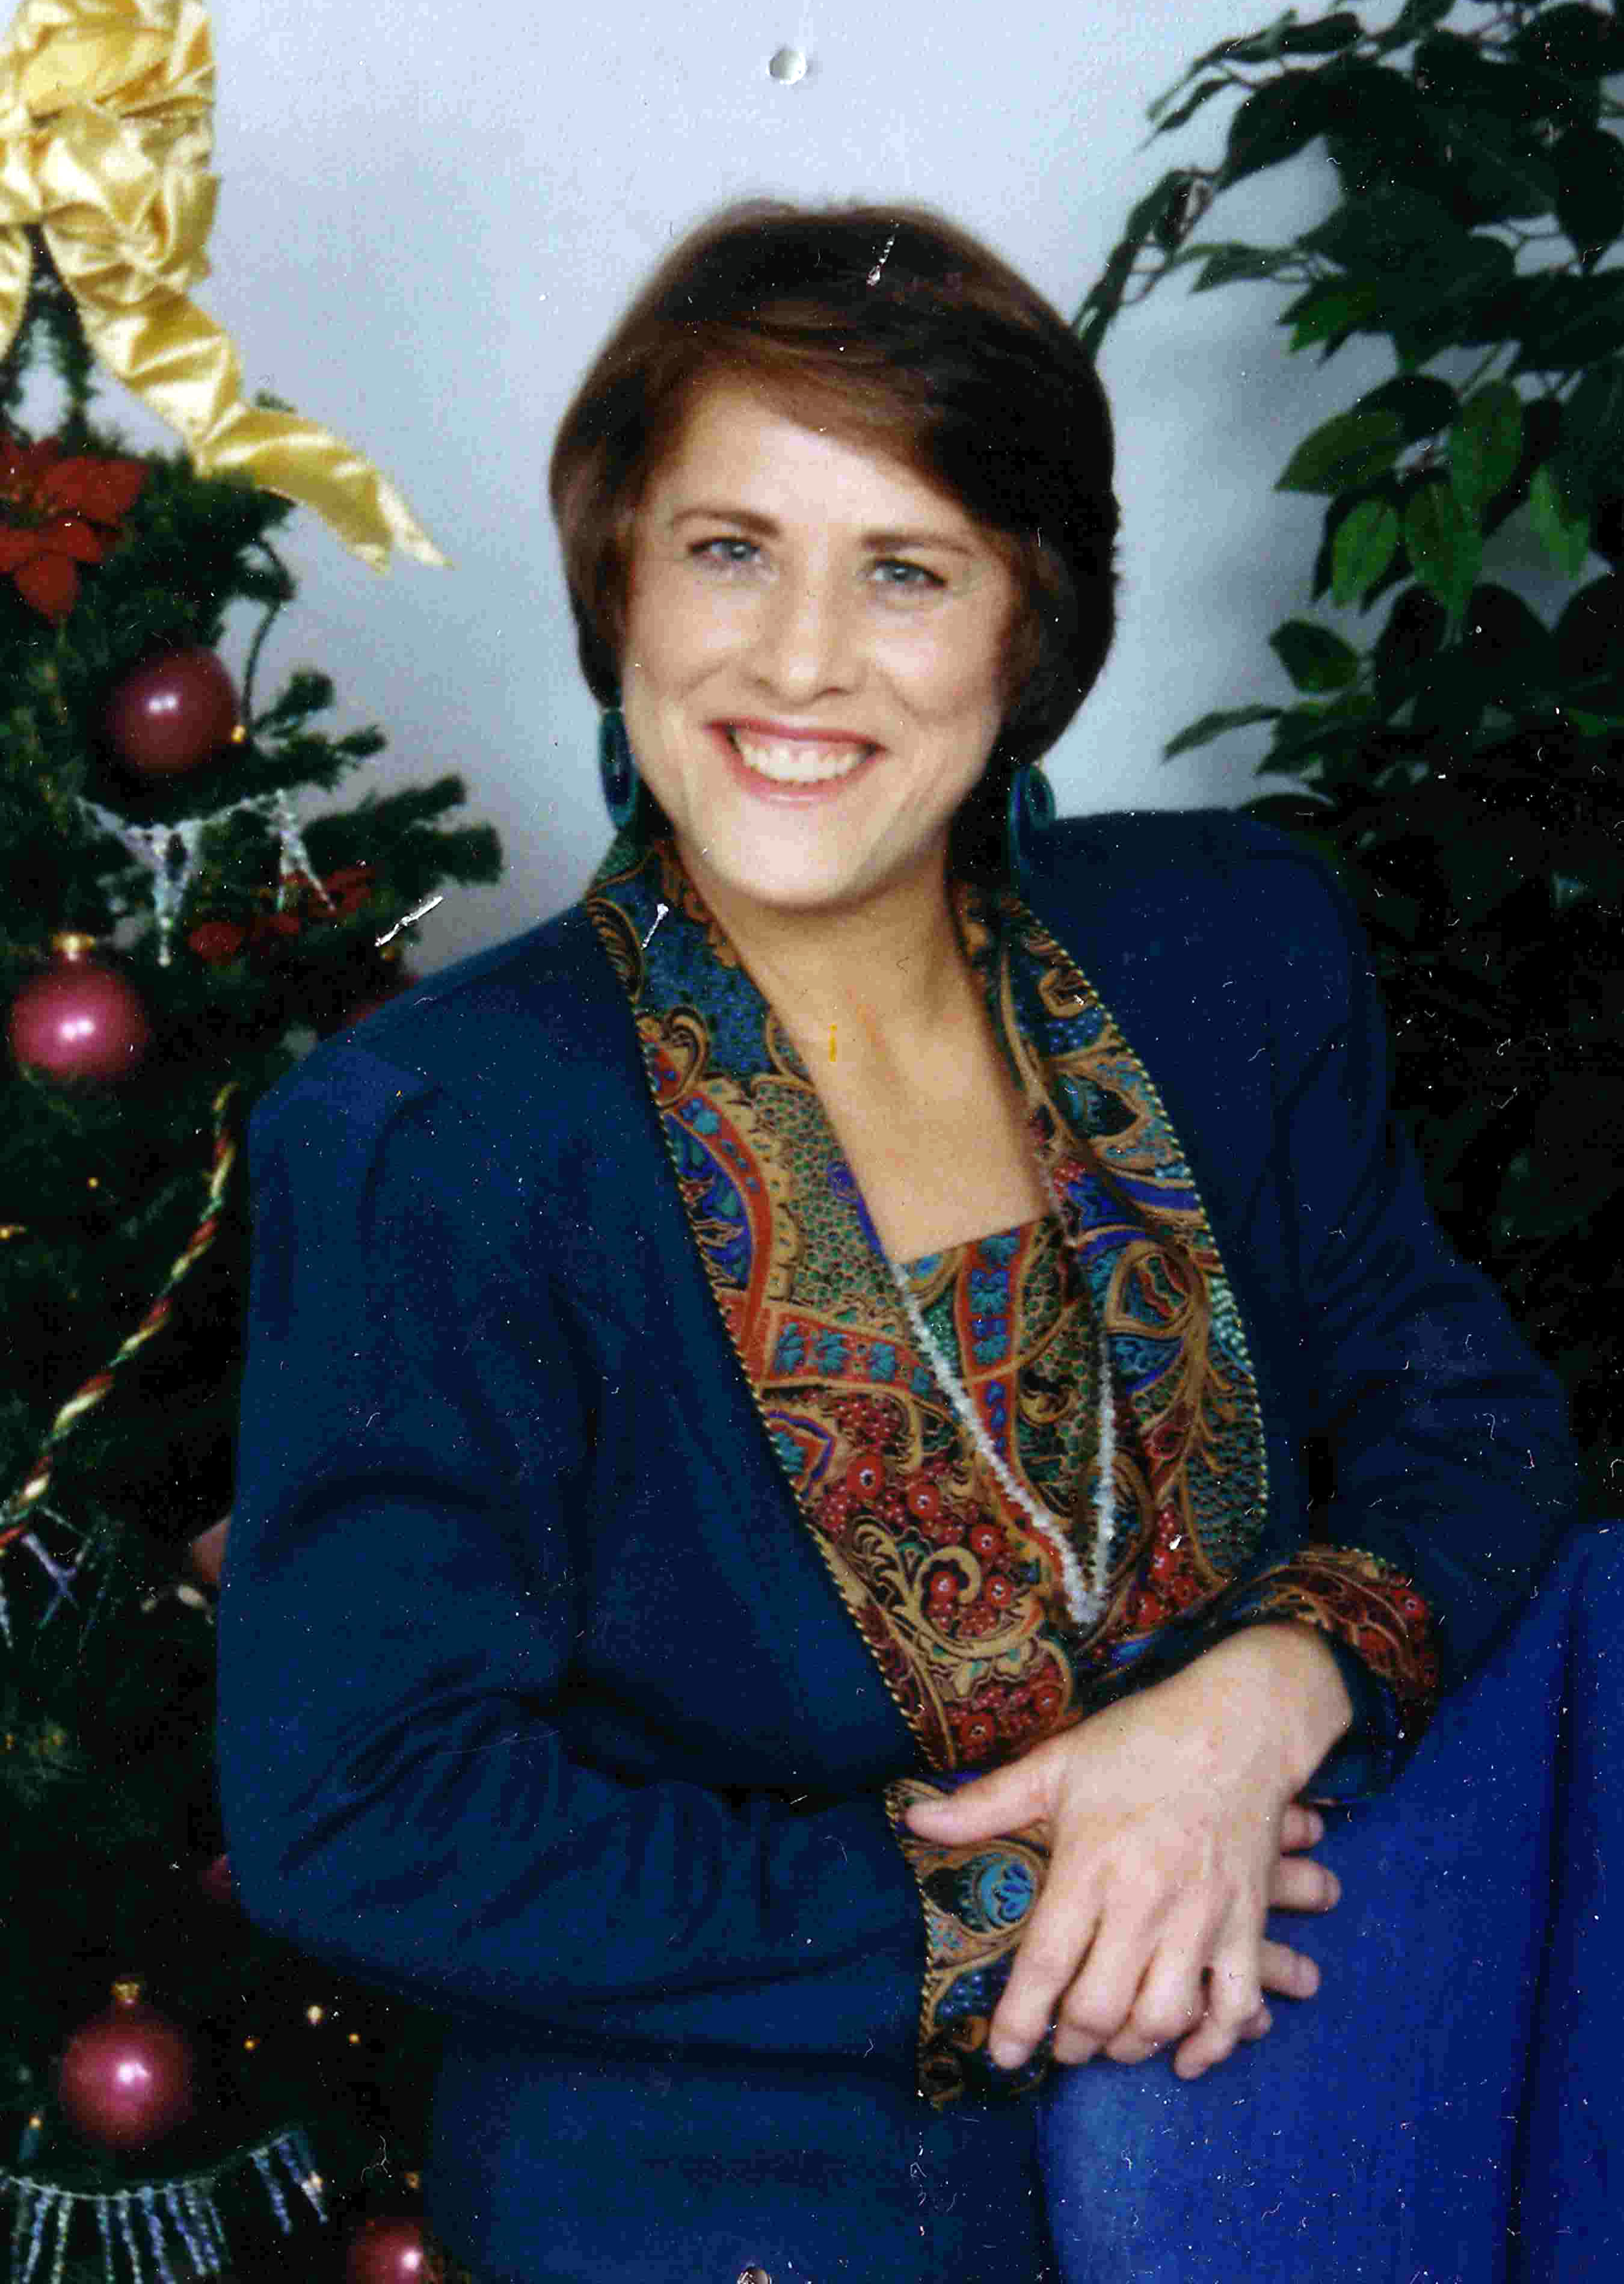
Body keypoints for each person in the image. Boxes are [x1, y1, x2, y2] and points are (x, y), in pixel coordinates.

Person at [218, 202, 1582, 2284]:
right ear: (618, 578)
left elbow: (1469, 1423)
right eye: (729, 549)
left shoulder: (1229, 948)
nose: (797, 662)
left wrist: (1260, 1698)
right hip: (739, 2203)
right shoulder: (432, 1136)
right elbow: (368, 1808)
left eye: (906, 571)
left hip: (1296, 2142)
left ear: (1027, 625)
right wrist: (1012, 1911)